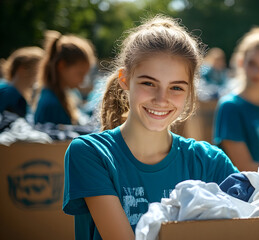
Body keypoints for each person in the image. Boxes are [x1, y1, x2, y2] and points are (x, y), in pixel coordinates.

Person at [62, 15, 239, 240]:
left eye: (176, 87)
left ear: (190, 92)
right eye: (148, 83)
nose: (161, 99)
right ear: (125, 80)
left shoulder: (210, 162)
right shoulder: (91, 153)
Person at [213, 26, 259, 171]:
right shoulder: (230, 107)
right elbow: (245, 168)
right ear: (241, 62)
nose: (257, 71)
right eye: (252, 63)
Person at [33, 30, 96, 125]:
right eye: (80, 73)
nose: (82, 80)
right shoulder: (51, 104)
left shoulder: (68, 94)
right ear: (61, 66)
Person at [0, 46, 44, 117]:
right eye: (37, 71)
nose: (40, 77)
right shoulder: (9, 93)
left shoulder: (19, 95)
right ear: (22, 69)